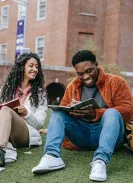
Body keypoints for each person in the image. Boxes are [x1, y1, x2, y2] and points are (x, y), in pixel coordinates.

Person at [32, 50, 133, 182]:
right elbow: (63, 111)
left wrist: (96, 114)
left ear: (96, 65)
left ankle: (100, 161)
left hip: (110, 136)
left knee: (112, 113)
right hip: (82, 136)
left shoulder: (116, 82)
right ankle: (52, 156)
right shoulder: (72, 86)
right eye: (80, 74)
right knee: (58, 112)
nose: (85, 77)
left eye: (89, 71)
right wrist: (61, 121)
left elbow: (128, 111)